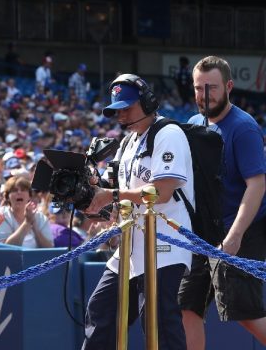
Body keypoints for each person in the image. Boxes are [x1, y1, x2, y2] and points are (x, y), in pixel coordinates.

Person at [81, 74, 193, 350]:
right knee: (102, 310)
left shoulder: (169, 133)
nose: (121, 115)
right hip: (131, 245)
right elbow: (113, 190)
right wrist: (92, 198)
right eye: (117, 109)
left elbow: (162, 191)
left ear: (148, 102)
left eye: (127, 107)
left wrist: (113, 195)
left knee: (158, 323)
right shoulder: (127, 142)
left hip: (165, 242)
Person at [179, 56, 266, 349]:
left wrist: (236, 235)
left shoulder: (244, 128)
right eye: (198, 87)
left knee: (244, 313)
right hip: (203, 233)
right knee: (186, 305)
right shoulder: (192, 124)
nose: (205, 95)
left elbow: (257, 184)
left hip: (242, 229)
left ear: (228, 86)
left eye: (212, 87)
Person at [0, 176, 53, 248]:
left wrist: (34, 227)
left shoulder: (40, 217)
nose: (19, 192)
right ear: (7, 197)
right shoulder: (0, 216)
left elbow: (49, 248)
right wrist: (27, 223)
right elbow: (3, 249)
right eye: (14, 190)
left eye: (23, 190)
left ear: (29, 196)